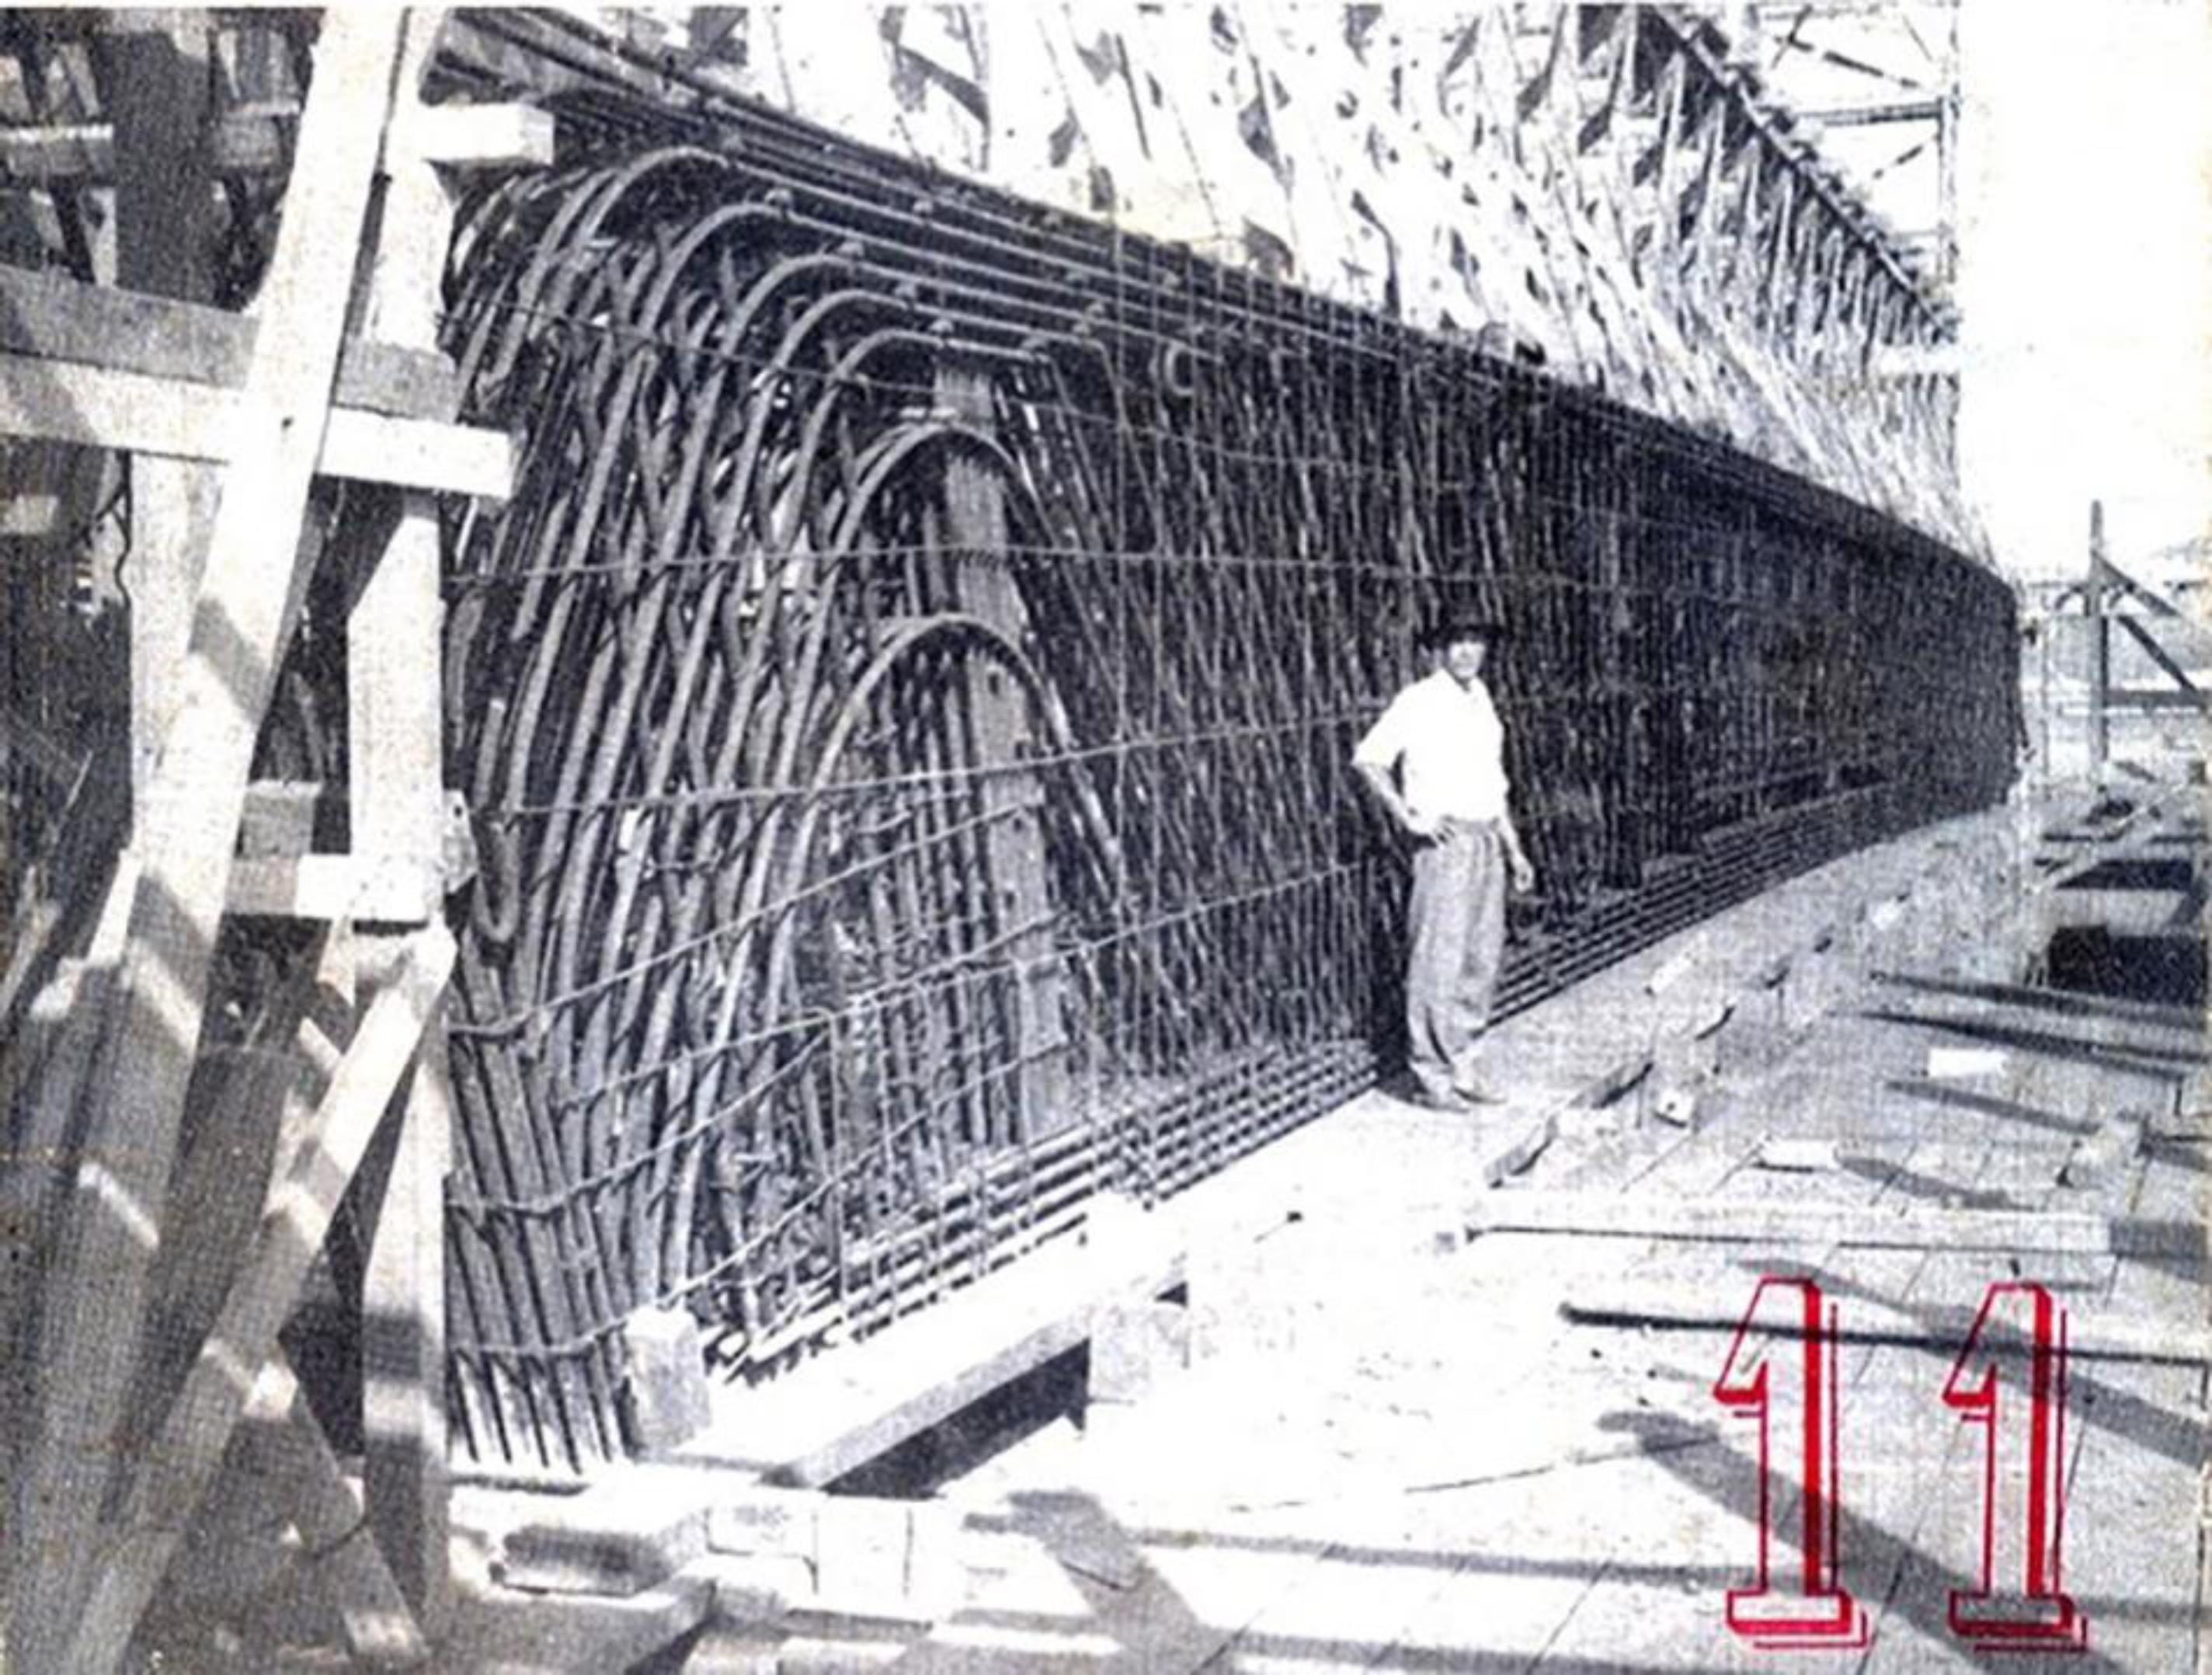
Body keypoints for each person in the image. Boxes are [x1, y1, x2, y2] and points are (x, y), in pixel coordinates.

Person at [1352, 611, 1536, 1110]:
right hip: (1446, 842)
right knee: (1440, 959)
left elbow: (1493, 783)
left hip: (1486, 839)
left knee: (1480, 960)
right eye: (1457, 642)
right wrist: (1409, 818)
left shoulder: (1481, 699)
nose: (1467, 652)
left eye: (1476, 642)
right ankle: (1431, 1077)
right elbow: (1369, 759)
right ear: (1439, 649)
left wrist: (1513, 848)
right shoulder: (1419, 700)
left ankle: (1465, 1067)